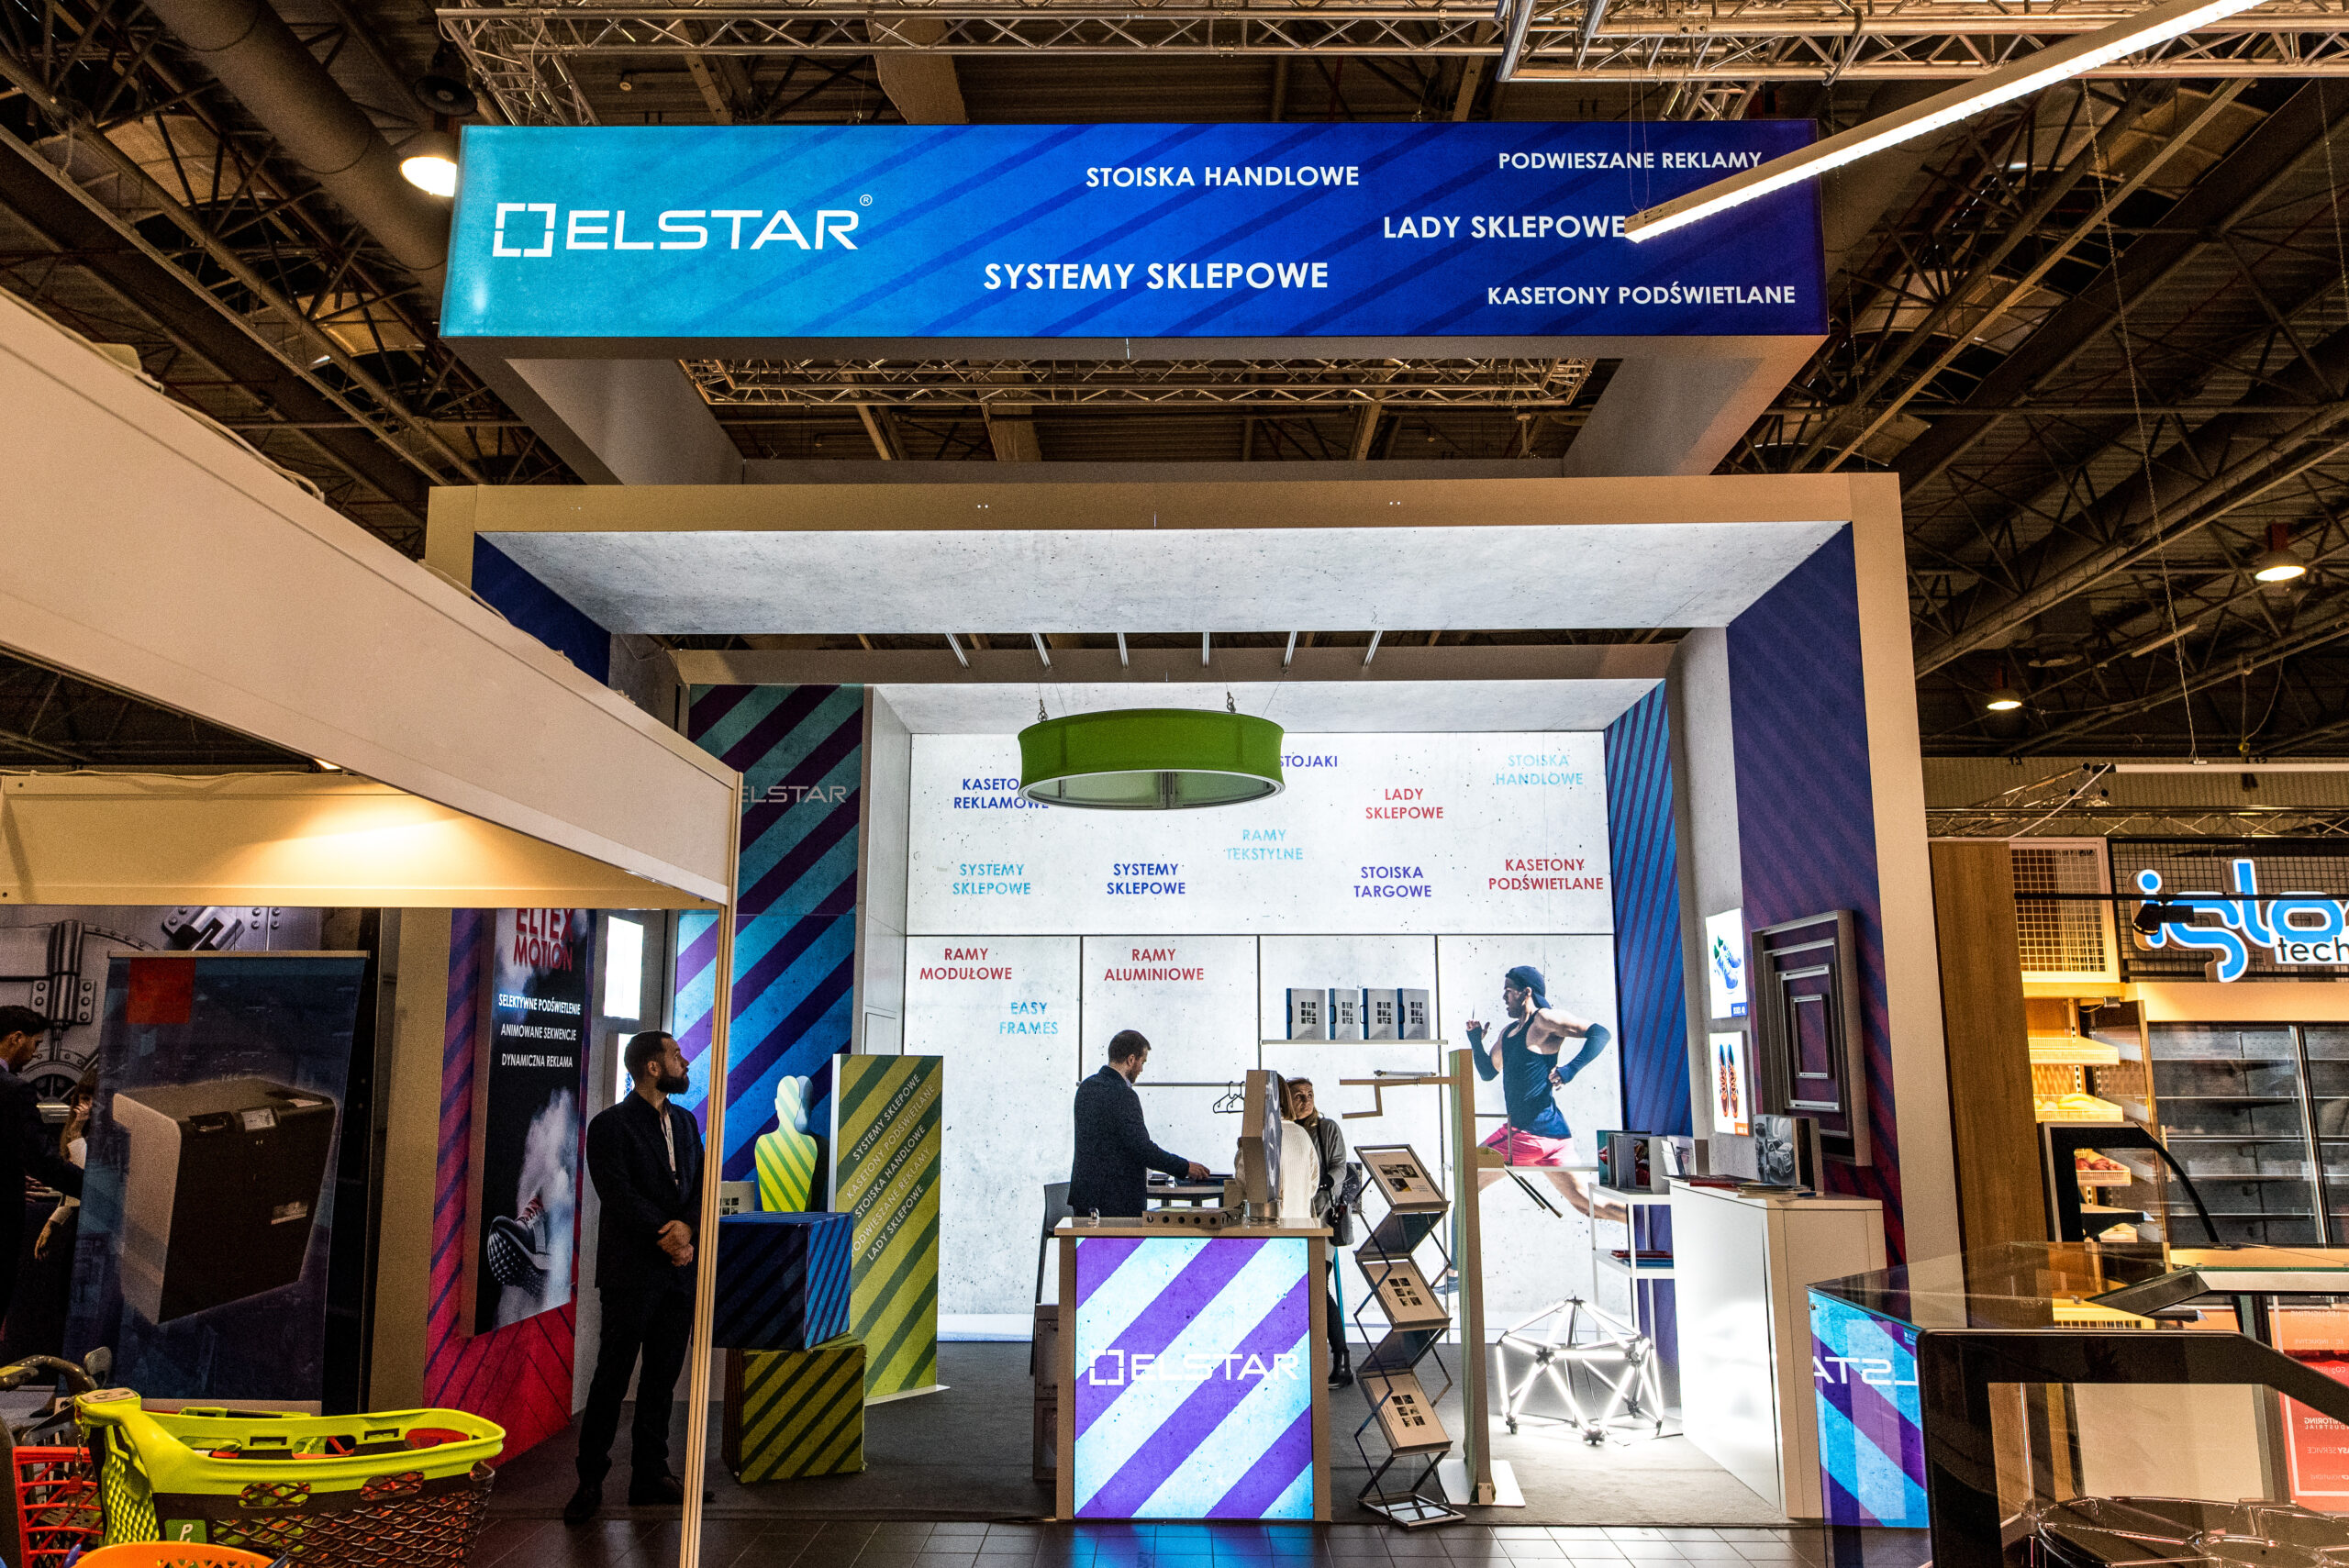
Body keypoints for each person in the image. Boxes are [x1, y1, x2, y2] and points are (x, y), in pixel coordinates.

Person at [568, 1030, 703, 1526]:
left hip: (679, 1272)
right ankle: (590, 1480)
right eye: (675, 1055)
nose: (684, 1061)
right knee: (612, 1377)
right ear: (651, 1066)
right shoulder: (610, 1126)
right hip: (632, 1273)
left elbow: (699, 1186)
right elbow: (617, 1193)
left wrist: (687, 1229)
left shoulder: (686, 1122)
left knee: (662, 1379)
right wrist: (667, 1234)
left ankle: (651, 1474)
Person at [1464, 966, 1617, 1219]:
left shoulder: (1544, 1020)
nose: (1503, 997)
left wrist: (1570, 1070)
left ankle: (1461, 1252)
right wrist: (1475, 1041)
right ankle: (1636, 1217)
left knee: (1466, 1175)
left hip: (1526, 1135)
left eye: (1508, 991)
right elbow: (1488, 1072)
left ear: (1526, 992)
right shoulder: (1508, 1033)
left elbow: (1600, 1033)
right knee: (1586, 1204)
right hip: (1555, 1138)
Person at [0, 1008, 80, 1335]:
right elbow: (43, 1161)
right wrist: (96, 1188)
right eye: (35, 1044)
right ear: (16, 1038)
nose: (35, 1054)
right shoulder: (12, 1090)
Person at [1067, 1030, 1206, 1218]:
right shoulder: (1123, 1094)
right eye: (1142, 1062)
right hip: (1117, 1201)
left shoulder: (1086, 1088)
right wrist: (1185, 1167)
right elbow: (1142, 1148)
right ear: (1131, 1059)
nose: (1141, 1069)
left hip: (1084, 1198)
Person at [1284, 1077, 1354, 1389]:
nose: (1306, 1100)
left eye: (1310, 1094)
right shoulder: (1284, 1131)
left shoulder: (1326, 1129)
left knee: (1318, 1287)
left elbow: (1340, 1166)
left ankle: (1342, 1360)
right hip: (1293, 1218)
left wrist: (1322, 1183)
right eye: (1298, 1096)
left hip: (1321, 1218)